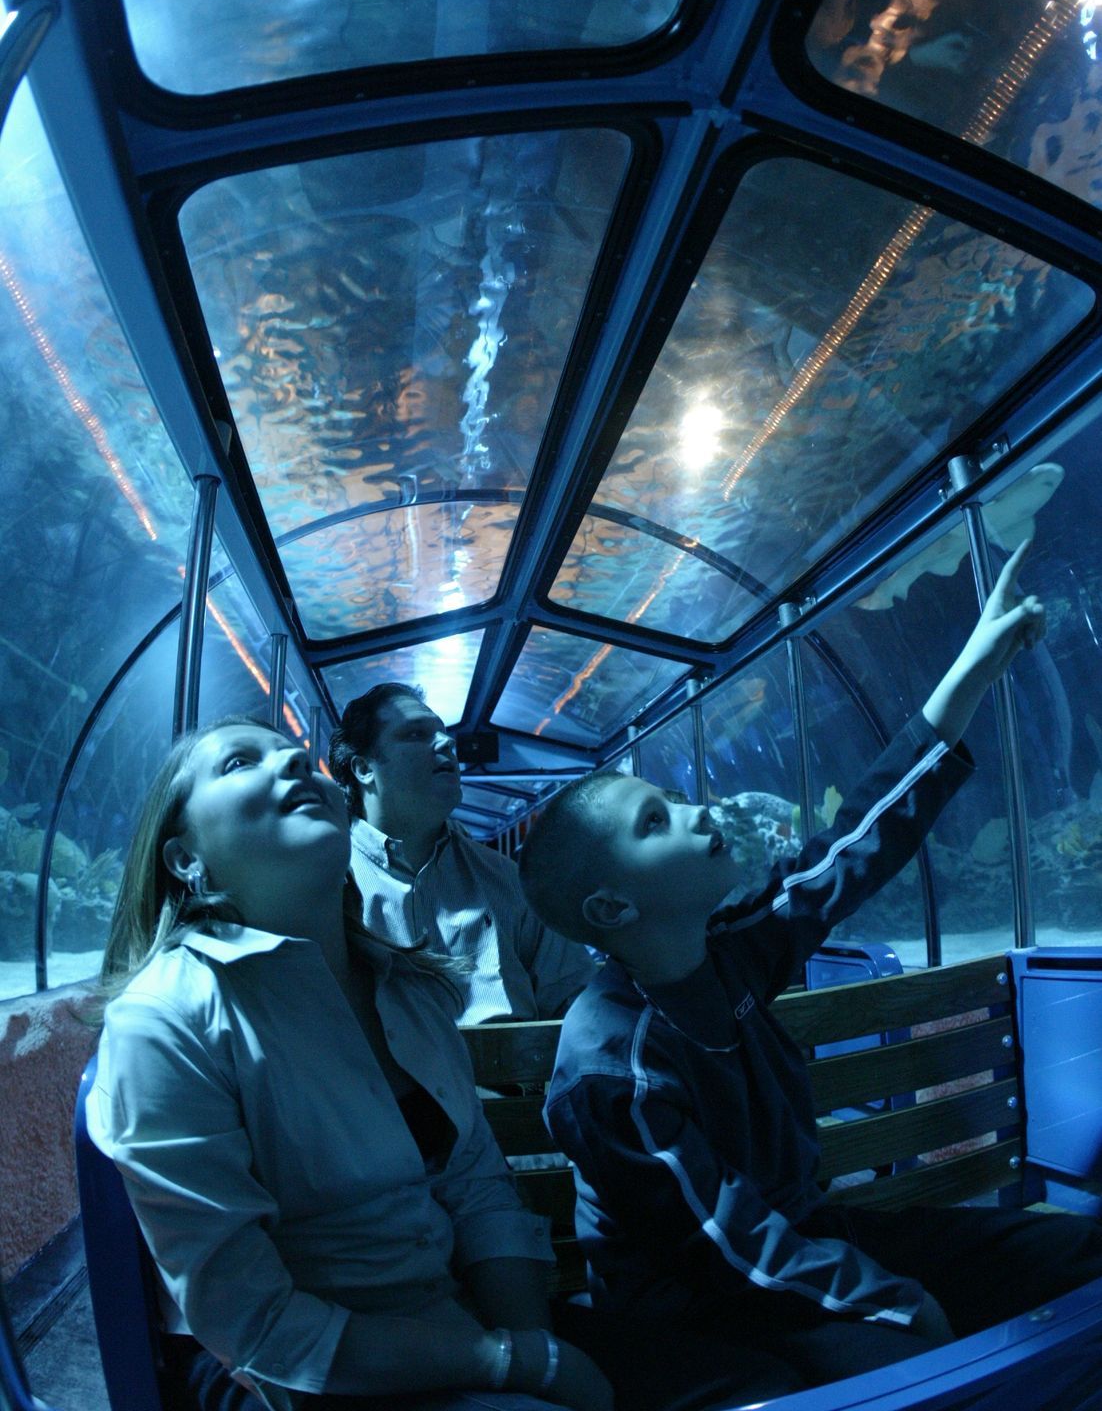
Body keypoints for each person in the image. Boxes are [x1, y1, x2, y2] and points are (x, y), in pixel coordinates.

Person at [89, 717, 801, 1411]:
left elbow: (474, 1183)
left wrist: (531, 1348)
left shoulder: (414, 987)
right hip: (311, 1375)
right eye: (240, 762)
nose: (294, 762)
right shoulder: (164, 1023)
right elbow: (253, 1326)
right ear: (185, 858)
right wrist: (511, 1364)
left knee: (763, 1388)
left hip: (461, 1322)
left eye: (298, 753)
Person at [518, 542, 1102, 1386]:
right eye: (656, 821)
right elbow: (717, 1241)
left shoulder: (734, 950)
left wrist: (979, 660)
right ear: (614, 910)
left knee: (1070, 1250)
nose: (695, 813)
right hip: (694, 1306)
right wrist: (886, 1297)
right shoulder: (614, 1062)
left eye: (676, 798)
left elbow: (862, 840)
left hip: (807, 1241)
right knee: (905, 1361)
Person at [328, 684, 593, 1024]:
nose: (448, 743)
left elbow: (575, 999)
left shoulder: (507, 880)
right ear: (365, 769)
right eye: (416, 734)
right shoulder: (326, 878)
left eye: (443, 733)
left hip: (508, 1075)